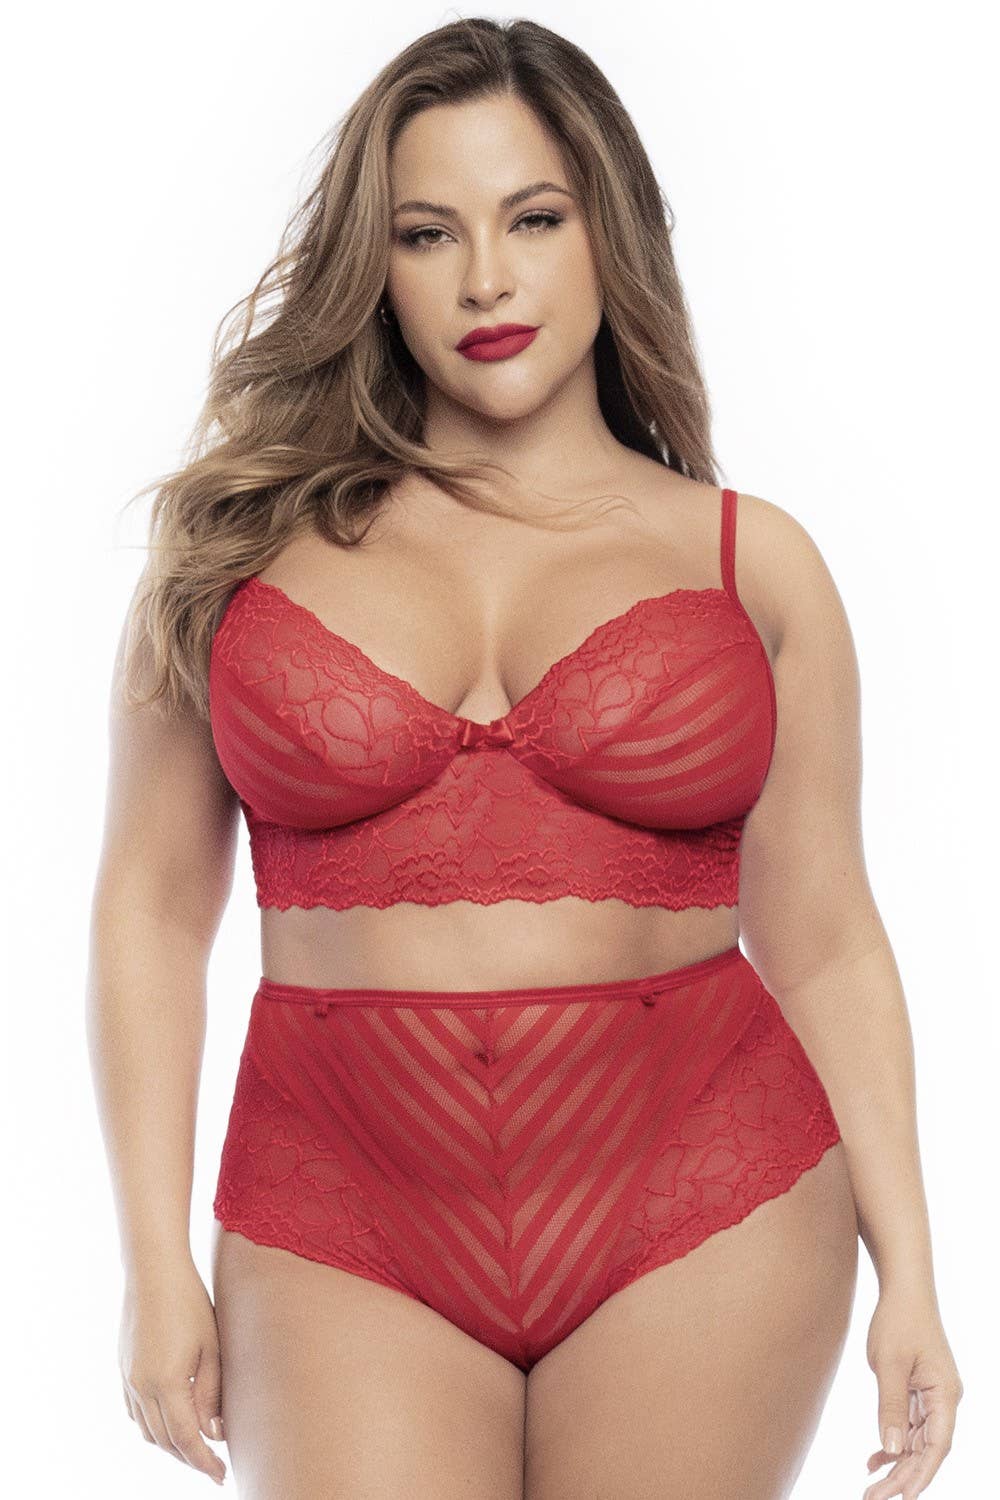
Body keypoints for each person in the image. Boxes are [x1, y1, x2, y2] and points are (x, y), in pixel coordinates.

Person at [87, 16, 963, 1499]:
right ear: (374, 266)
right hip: (340, 1214)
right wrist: (149, 1262)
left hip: (708, 1202)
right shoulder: (233, 554)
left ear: (609, 231)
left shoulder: (752, 563)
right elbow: (152, 912)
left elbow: (822, 937)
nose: (486, 280)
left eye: (534, 218)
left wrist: (916, 1277)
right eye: (427, 234)